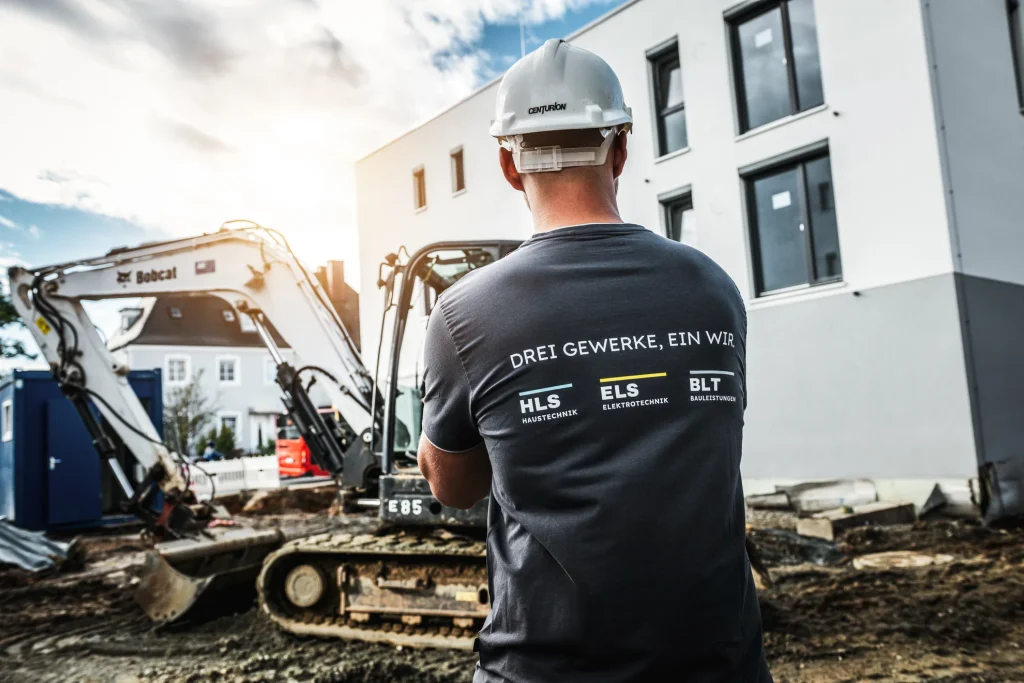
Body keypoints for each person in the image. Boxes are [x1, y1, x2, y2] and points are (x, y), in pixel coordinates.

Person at [417, 39, 771, 683]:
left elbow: (453, 488)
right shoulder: (713, 290)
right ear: (623, 148)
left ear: (506, 164)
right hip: (720, 666)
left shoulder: (463, 315)